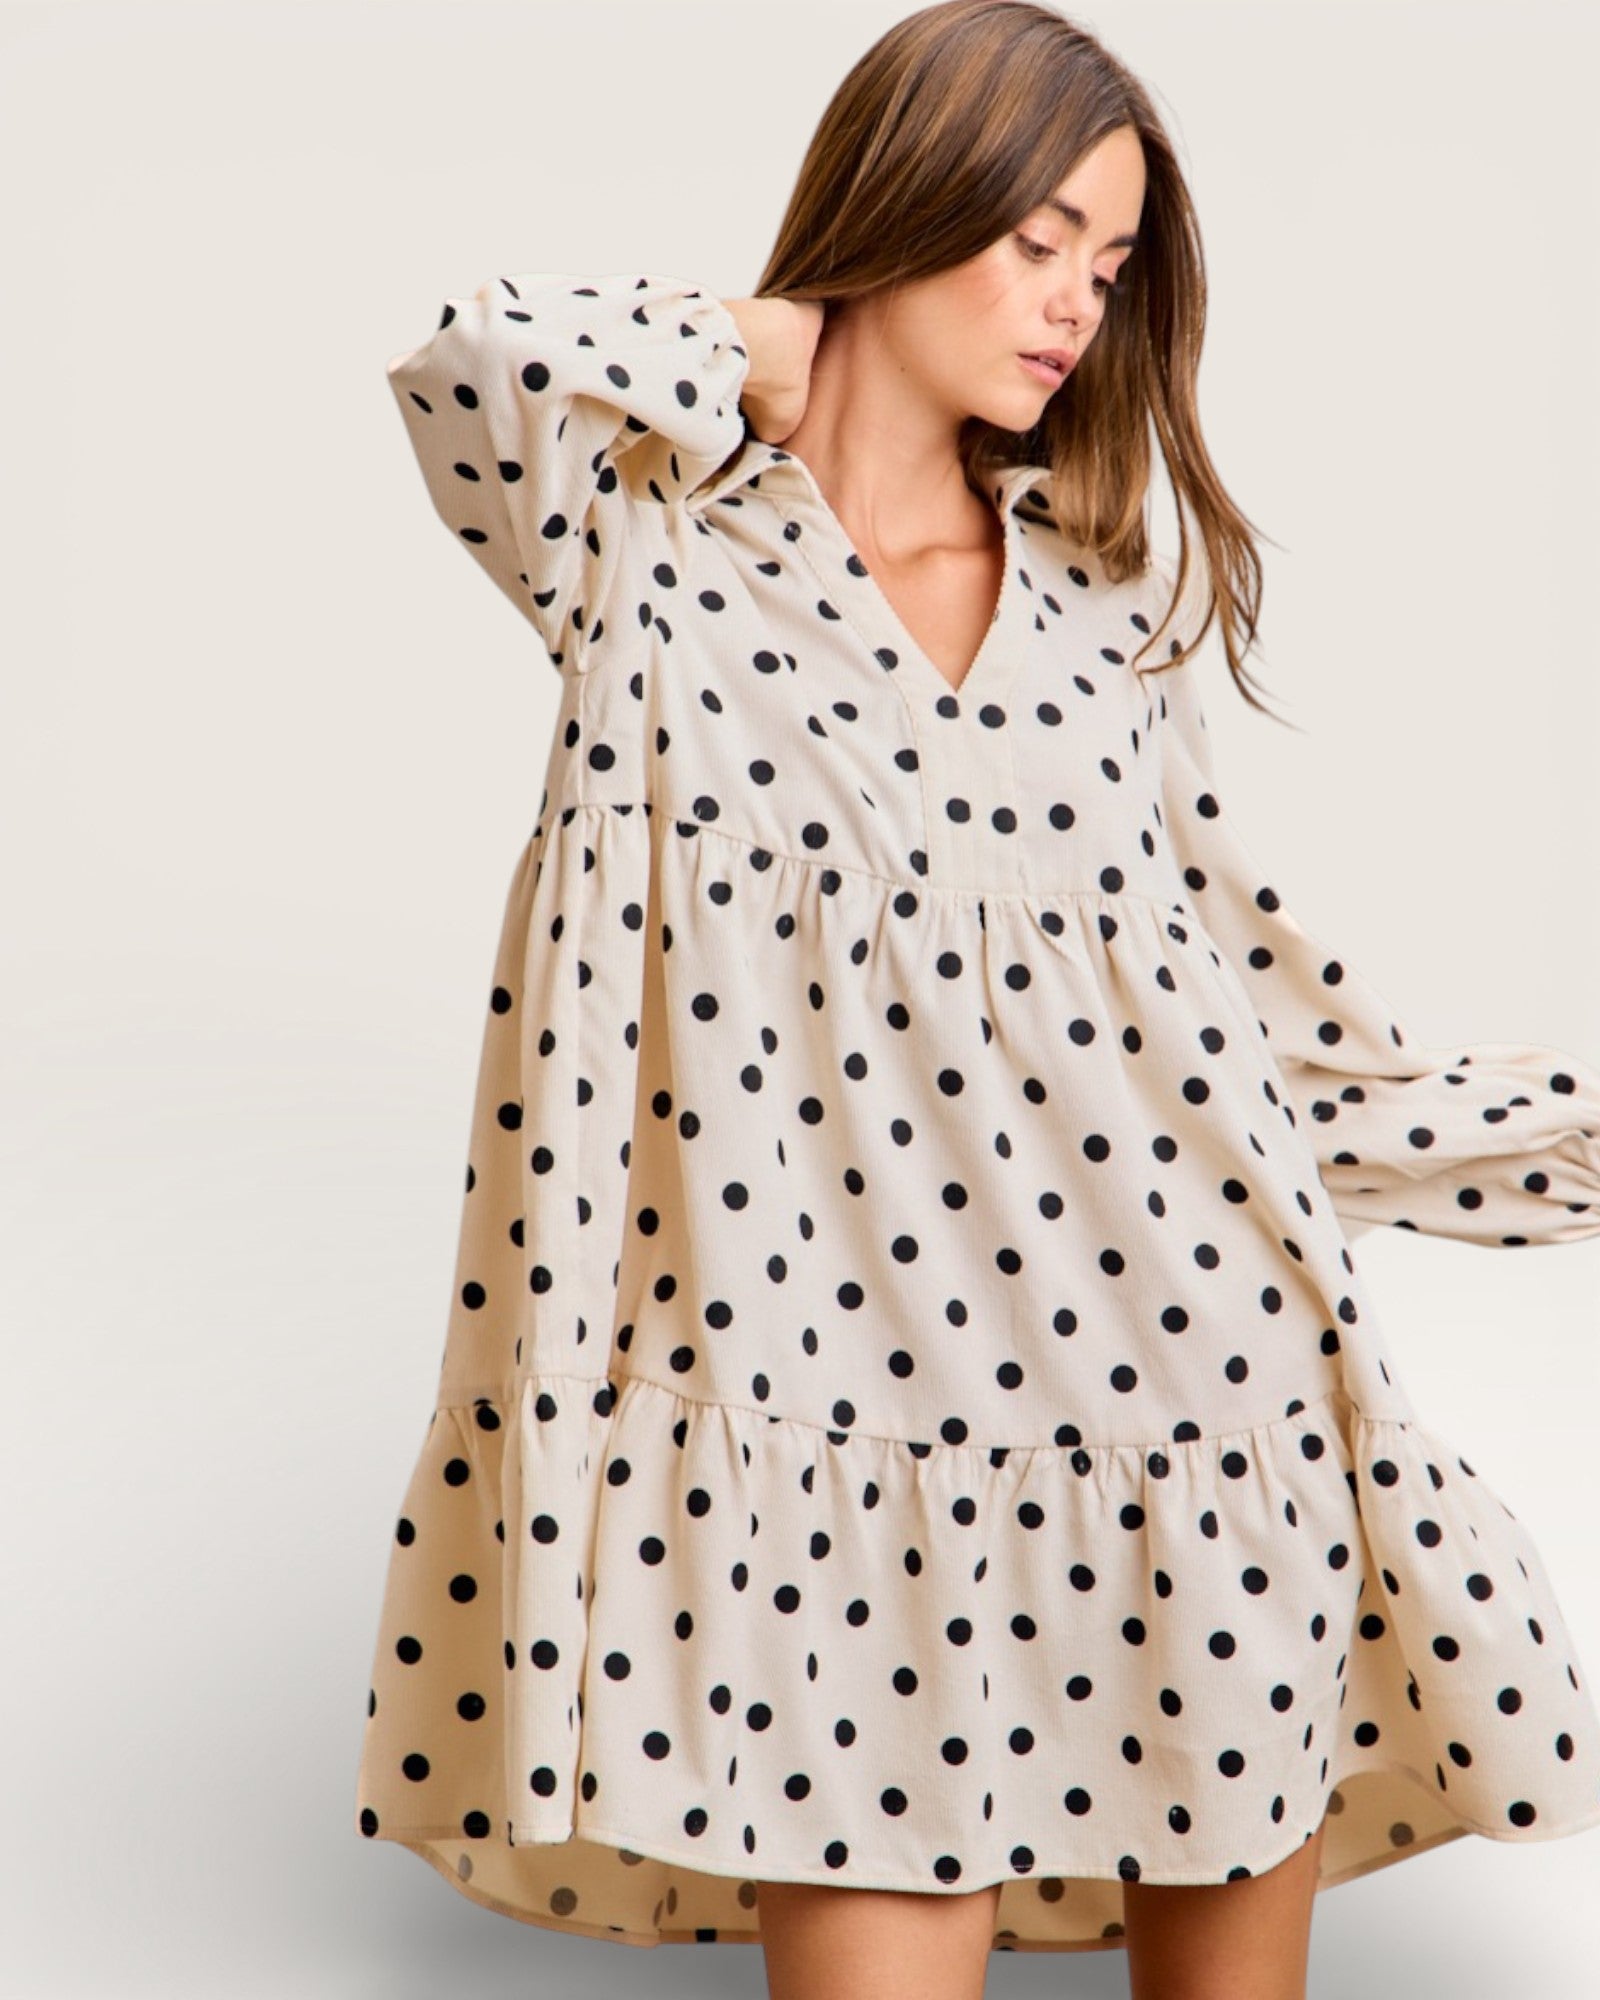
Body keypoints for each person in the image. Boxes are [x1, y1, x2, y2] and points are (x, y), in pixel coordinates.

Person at [354, 4, 1600, 1995]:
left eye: (1105, 273)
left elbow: (1252, 1034)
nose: (1070, 310)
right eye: (1035, 240)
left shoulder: (1099, 621)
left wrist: (1557, 1140)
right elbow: (475, 358)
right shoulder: (649, 566)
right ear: (904, 198)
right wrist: (771, 339)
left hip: (1185, 1437)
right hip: (828, 1470)